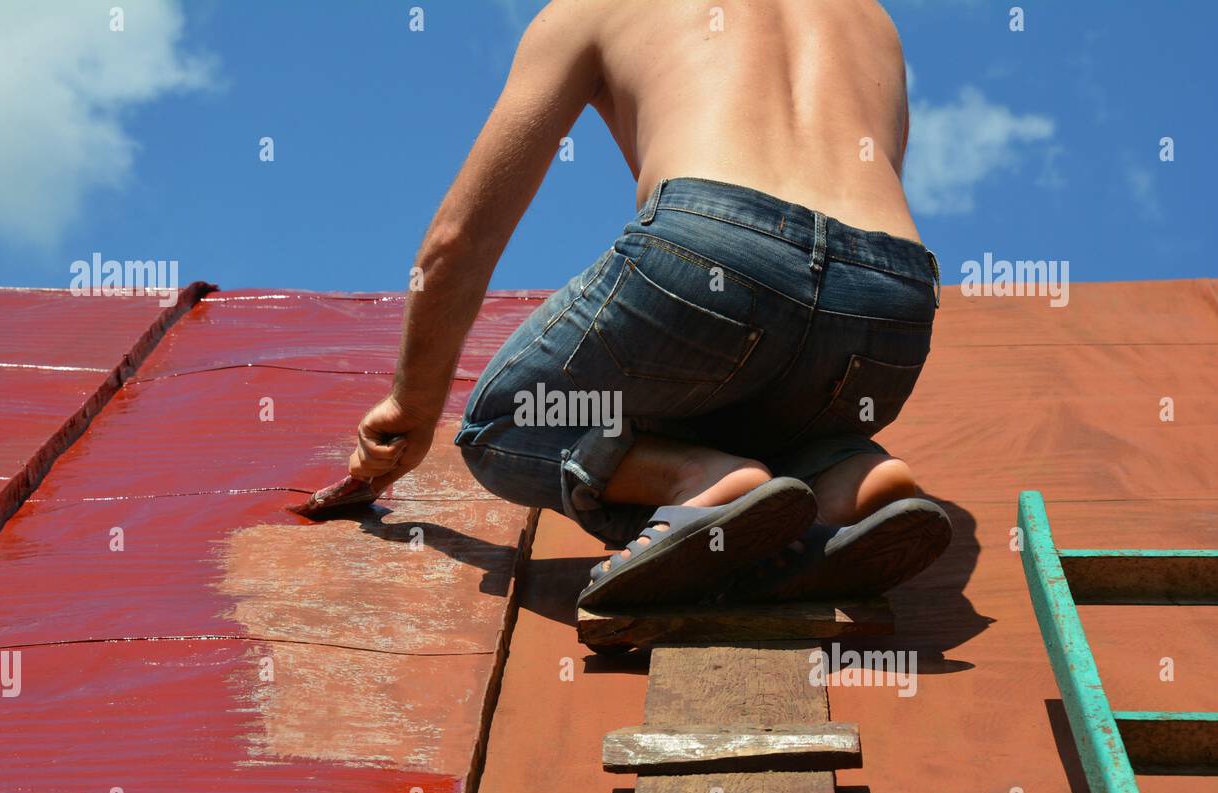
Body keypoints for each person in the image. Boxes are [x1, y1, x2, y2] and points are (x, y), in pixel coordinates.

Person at [347, 0, 951, 607]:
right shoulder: (871, 16)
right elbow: (823, 255)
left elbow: (462, 238)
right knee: (752, 381)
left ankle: (703, 480)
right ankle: (854, 478)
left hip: (715, 246)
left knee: (505, 421)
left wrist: (412, 405)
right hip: (890, 296)